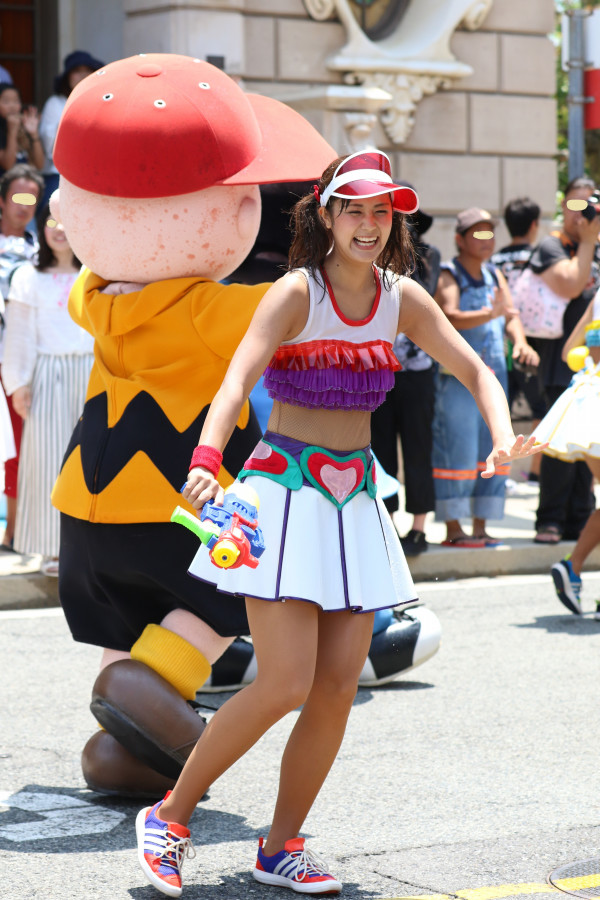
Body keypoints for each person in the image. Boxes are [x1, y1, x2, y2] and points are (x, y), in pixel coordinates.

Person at [135, 152, 543, 898]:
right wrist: (205, 457)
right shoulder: (296, 291)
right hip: (283, 494)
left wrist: (501, 436)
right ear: (325, 214)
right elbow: (237, 378)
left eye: (381, 211)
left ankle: (280, 846)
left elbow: (477, 372)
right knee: (283, 682)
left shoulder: (402, 297)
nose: (368, 223)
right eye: (353, 208)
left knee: (335, 687)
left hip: (354, 501)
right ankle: (169, 816)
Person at [49, 52, 337, 800]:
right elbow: (303, 306)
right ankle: (148, 690)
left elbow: (93, 274)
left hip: (88, 500)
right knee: (236, 598)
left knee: (126, 617)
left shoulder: (91, 297)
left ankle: (128, 745)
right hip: (184, 499)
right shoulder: (209, 307)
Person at [432, 207, 540, 547]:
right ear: (459, 239)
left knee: (493, 449)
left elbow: (510, 315)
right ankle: (454, 530)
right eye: (477, 233)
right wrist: (488, 313)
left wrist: (520, 342)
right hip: (457, 380)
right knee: (457, 451)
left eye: (489, 233)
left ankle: (481, 527)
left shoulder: (495, 274)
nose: (486, 240)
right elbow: (448, 316)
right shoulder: (449, 273)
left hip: (495, 378)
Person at [2, 201, 92, 576]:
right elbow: (19, 335)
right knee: (47, 463)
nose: (59, 229)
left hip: (93, 372)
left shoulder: (95, 273)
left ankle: (88, 549)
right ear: (41, 227)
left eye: (66, 221)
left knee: (90, 463)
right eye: (51, 221)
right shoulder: (27, 276)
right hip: (47, 374)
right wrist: (18, 384)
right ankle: (52, 548)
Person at [527, 177, 600, 544]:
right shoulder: (551, 246)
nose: (581, 214)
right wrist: (588, 241)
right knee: (559, 444)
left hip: (592, 365)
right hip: (559, 361)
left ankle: (580, 519)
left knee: (588, 443)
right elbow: (571, 284)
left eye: (590, 207)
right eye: (575, 205)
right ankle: (550, 520)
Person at [370, 188, 438, 555]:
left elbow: (425, 297)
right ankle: (388, 523)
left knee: (418, 446)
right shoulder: (368, 255)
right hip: (378, 371)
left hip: (418, 370)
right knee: (380, 447)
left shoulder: (427, 255)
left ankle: (420, 527)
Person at [532, 289, 600, 617]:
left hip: (589, 400)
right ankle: (572, 566)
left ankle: (572, 566)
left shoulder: (598, 295)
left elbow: (570, 351)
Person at [0, 163, 42, 550]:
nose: (25, 204)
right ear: (2, 200)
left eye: (32, 197)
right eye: (18, 196)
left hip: (16, 363)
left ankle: (14, 531)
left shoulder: (42, 251)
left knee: (18, 445)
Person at [491, 196, 546, 484]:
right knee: (542, 408)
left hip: (498, 341)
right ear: (534, 224)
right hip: (531, 344)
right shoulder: (540, 258)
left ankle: (501, 475)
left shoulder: (494, 261)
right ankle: (535, 471)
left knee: (500, 407)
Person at [39, 50, 104, 205]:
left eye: (87, 70)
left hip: (95, 175)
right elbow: (50, 148)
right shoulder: (55, 103)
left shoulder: (102, 102)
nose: (82, 75)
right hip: (59, 176)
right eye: (77, 71)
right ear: (68, 76)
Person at [0, 83, 44, 176]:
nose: (12, 106)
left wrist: (34, 133)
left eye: (16, 101)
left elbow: (40, 165)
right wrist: (12, 131)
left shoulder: (24, 126)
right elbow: (8, 165)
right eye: (6, 101)